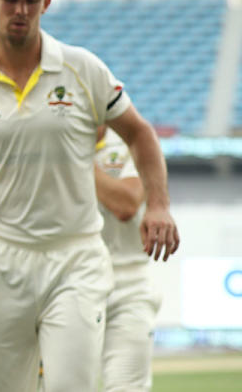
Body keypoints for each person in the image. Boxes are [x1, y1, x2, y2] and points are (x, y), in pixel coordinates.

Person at [0, 0, 179, 392]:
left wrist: (157, 205)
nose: (20, 10)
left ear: (47, 2)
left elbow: (140, 134)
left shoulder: (83, 69)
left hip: (75, 258)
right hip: (1, 257)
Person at [95, 126, 160, 392]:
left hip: (128, 284)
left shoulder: (130, 142)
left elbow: (127, 203)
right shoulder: (41, 139)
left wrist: (72, 157)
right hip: (65, 280)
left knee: (126, 387)